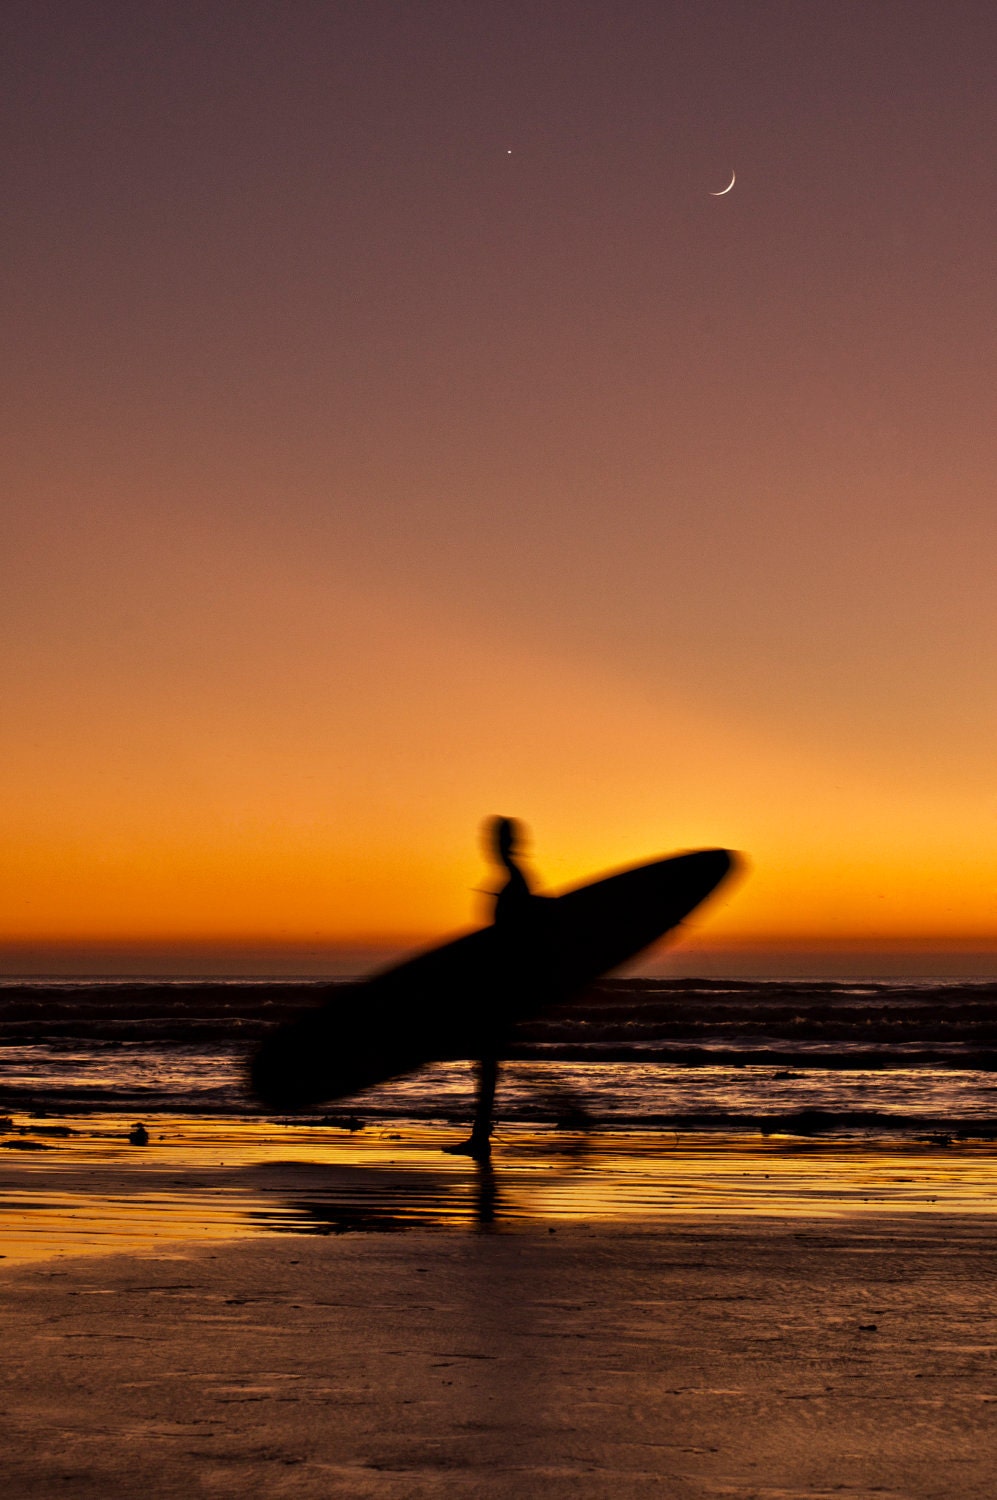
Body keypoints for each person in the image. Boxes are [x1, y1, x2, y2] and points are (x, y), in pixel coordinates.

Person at [445, 816, 536, 1160]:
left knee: (487, 1062)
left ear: (508, 843)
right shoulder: (515, 880)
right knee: (487, 1063)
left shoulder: (515, 882)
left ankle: (480, 1137)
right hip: (498, 984)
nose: (490, 846)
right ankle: (480, 1136)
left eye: (495, 840)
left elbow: (514, 940)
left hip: (501, 986)